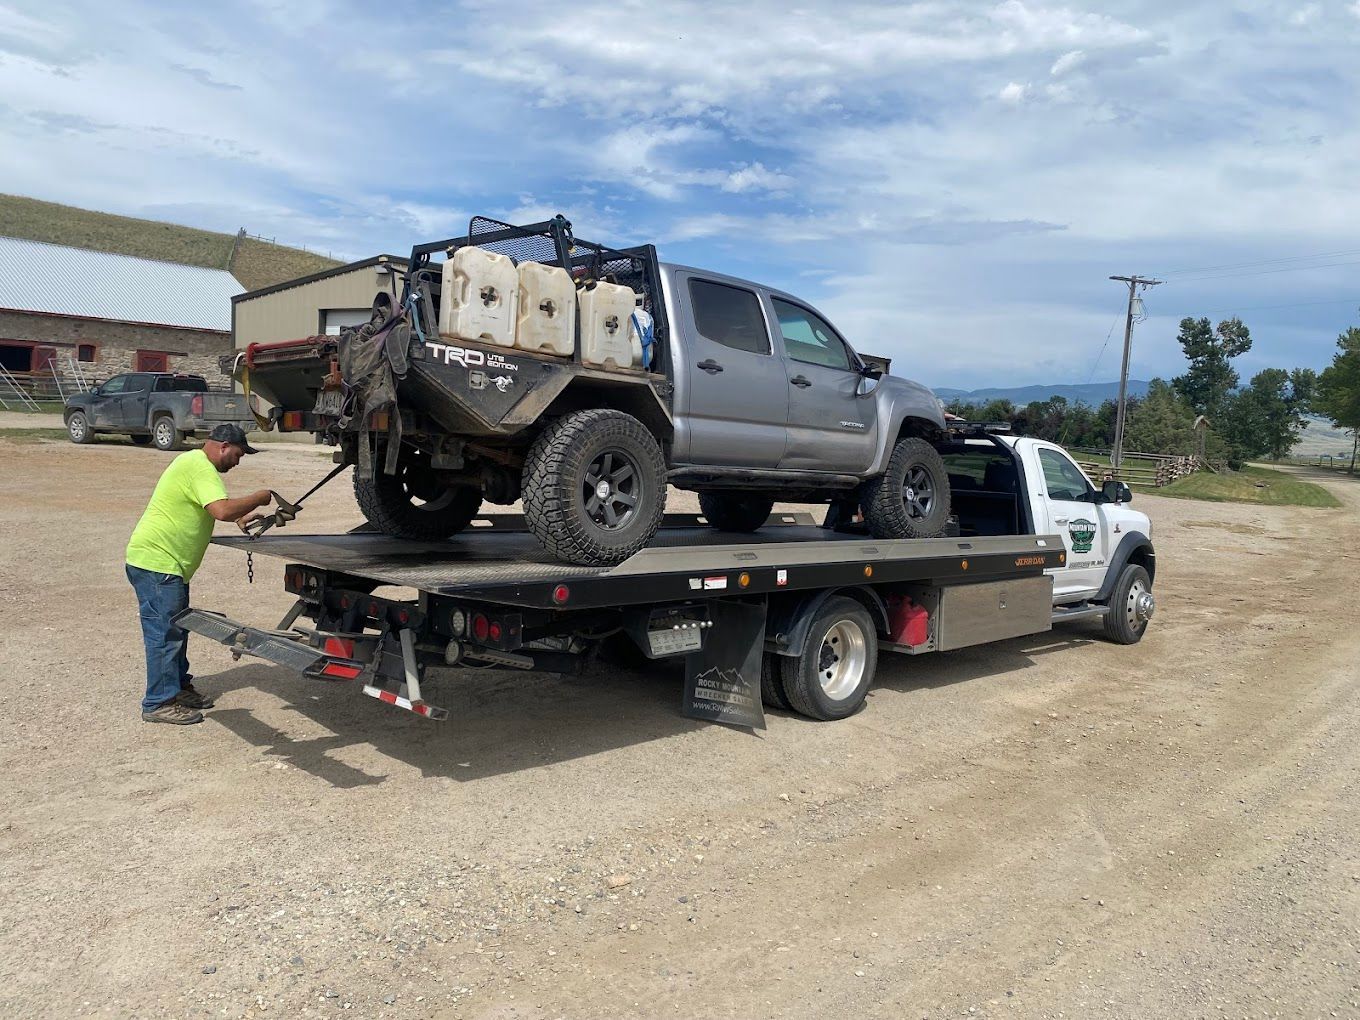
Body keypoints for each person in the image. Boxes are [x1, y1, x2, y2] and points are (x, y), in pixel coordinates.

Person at [125, 423, 277, 725]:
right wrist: (260, 497)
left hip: (166, 566)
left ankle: (178, 688)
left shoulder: (193, 463)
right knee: (165, 634)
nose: (237, 462)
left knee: (177, 629)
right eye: (238, 454)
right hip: (158, 564)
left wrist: (239, 517)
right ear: (223, 446)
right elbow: (221, 510)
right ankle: (158, 703)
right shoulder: (199, 466)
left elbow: (210, 508)